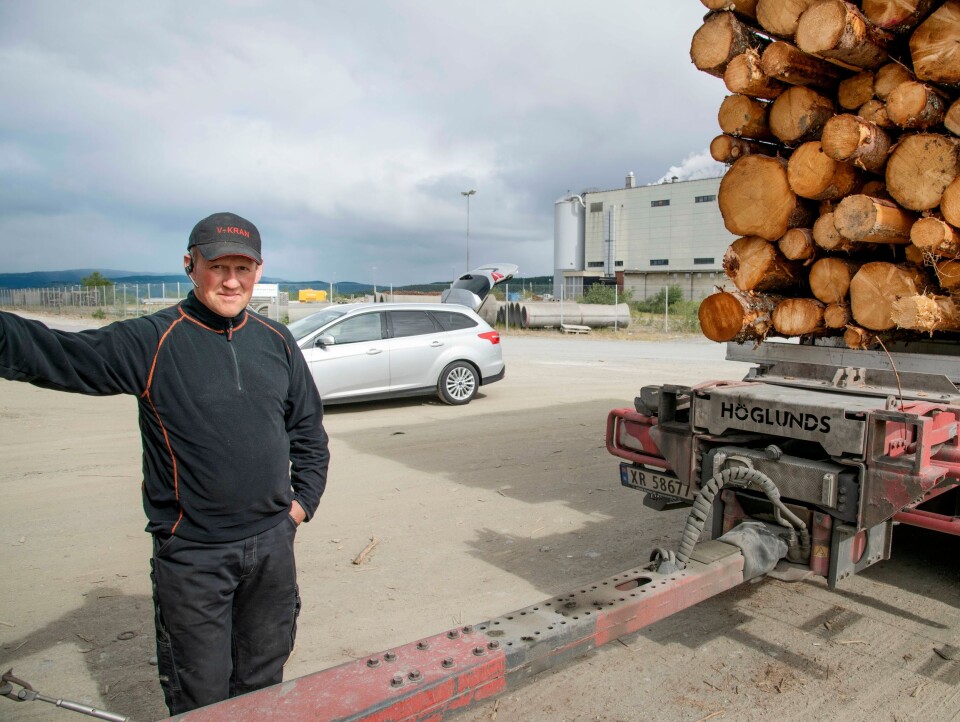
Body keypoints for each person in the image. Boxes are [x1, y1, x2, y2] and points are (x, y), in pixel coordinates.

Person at [0, 212, 330, 714]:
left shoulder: (276, 340)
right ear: (190, 265)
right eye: (218, 266)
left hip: (271, 551)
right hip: (194, 558)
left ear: (259, 270)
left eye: (244, 267)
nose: (232, 280)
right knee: (200, 694)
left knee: (264, 682)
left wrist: (301, 505)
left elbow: (308, 431)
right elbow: (53, 352)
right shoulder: (153, 340)